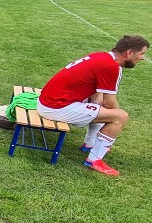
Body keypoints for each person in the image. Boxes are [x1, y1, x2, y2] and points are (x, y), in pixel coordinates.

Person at [37, 35, 148, 176]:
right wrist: (113, 119)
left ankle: (89, 144)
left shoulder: (100, 56)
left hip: (48, 102)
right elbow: (110, 103)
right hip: (54, 107)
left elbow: (99, 97)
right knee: (120, 116)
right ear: (129, 53)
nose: (142, 57)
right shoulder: (112, 67)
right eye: (142, 53)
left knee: (99, 104)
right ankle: (94, 160)